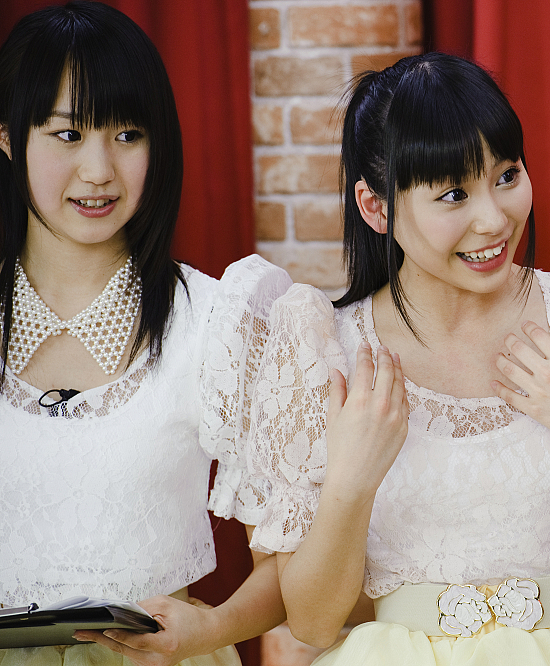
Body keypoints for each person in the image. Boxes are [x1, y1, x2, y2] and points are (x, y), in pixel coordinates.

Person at [247, 52, 550, 665]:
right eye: (453, 194)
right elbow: (311, 622)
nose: (494, 219)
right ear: (377, 207)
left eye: (507, 176)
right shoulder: (327, 353)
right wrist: (350, 484)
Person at [0, 3, 288, 665]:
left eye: (127, 134)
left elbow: (290, 565)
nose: (99, 170)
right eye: (68, 134)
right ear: (9, 137)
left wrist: (210, 629)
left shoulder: (217, 323)